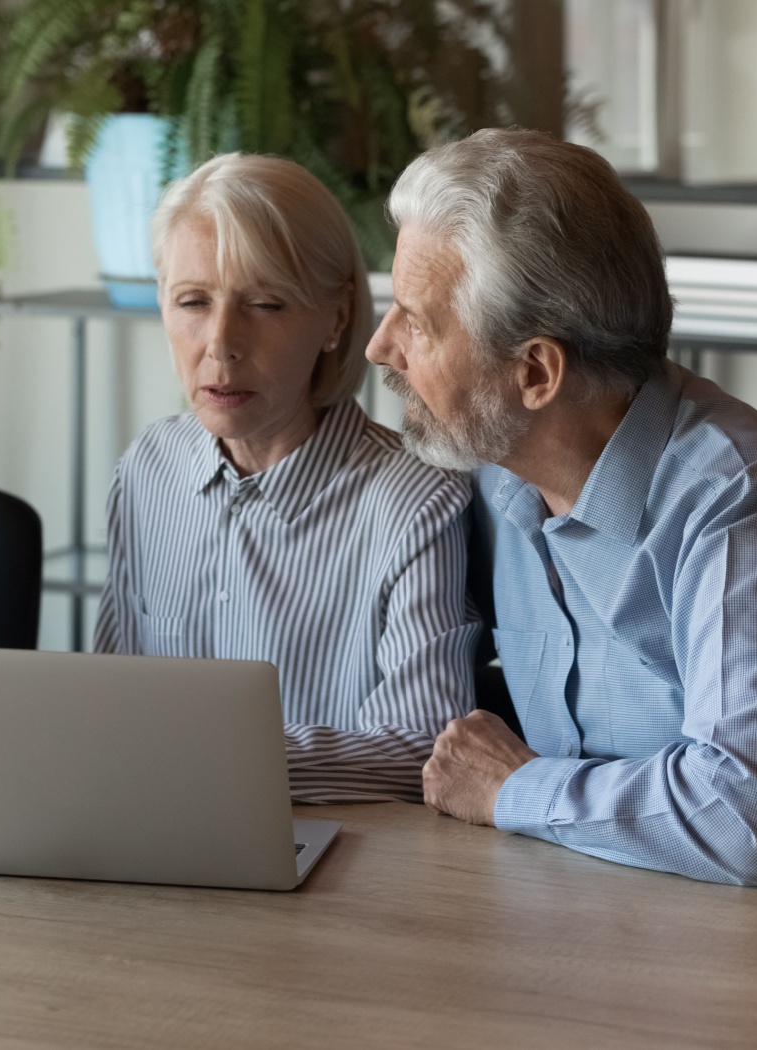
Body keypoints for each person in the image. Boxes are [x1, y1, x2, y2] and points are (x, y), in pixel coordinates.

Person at [367, 127, 757, 884]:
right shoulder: (498, 478)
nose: (380, 346)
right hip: (629, 912)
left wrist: (514, 789)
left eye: (420, 322)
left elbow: (749, 817)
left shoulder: (755, 509)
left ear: (536, 372)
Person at [96, 153, 477, 803]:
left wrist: (209, 760)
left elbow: (424, 747)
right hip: (150, 839)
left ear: (335, 318)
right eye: (192, 301)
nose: (220, 343)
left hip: (339, 867)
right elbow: (107, 710)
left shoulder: (416, 502)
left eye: (266, 304)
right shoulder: (147, 471)